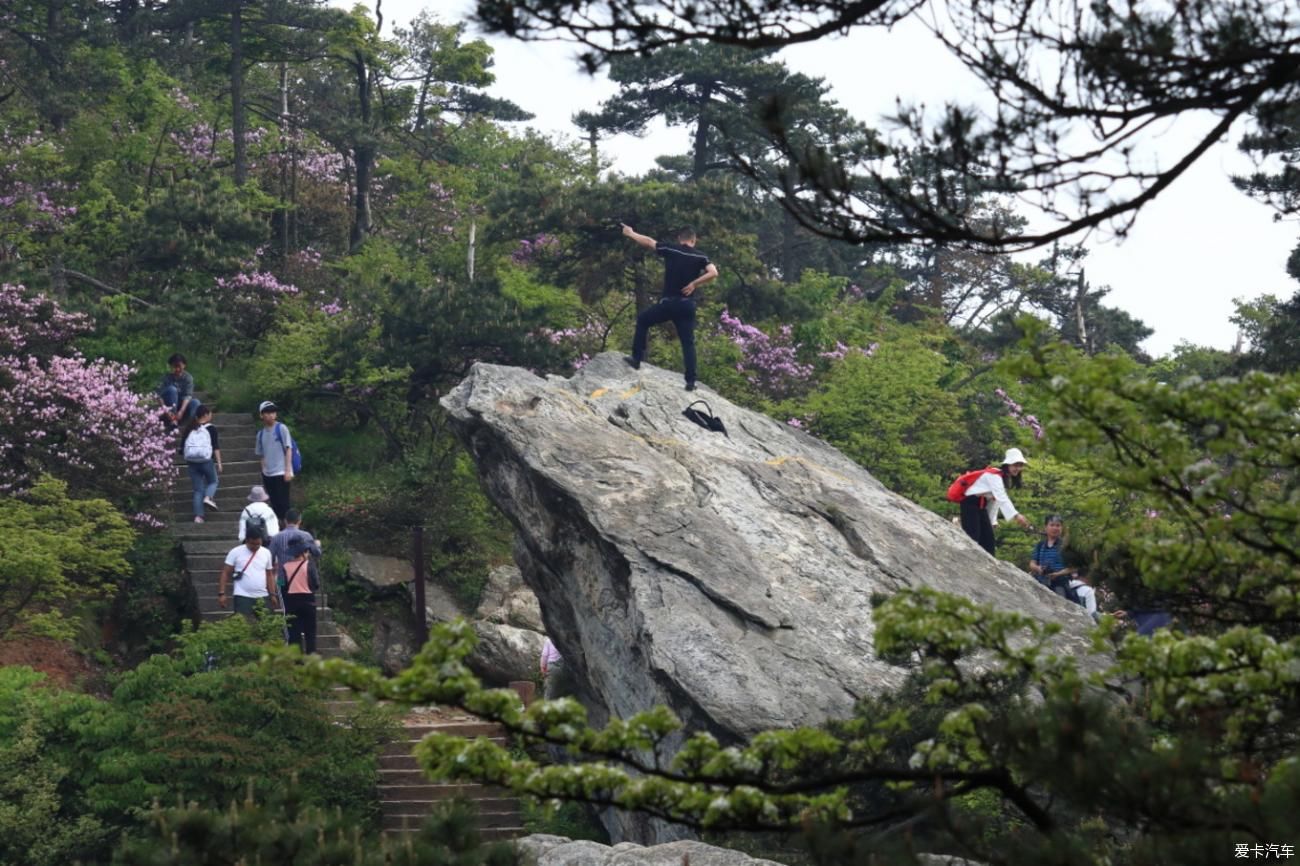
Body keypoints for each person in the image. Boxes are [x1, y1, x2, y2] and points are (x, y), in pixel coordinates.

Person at [621, 224, 719, 391]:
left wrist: (631, 234)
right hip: (687, 306)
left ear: (680, 239)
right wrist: (694, 283)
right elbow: (713, 272)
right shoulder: (701, 256)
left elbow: (650, 242)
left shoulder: (672, 249)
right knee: (688, 343)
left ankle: (637, 358)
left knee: (643, 320)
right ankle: (690, 382)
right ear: (694, 240)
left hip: (669, 303)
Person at [957, 447, 1033, 555]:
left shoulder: (1003, 478)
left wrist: (993, 521)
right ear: (1008, 465)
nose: (1018, 468)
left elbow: (995, 501)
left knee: (988, 541)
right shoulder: (995, 476)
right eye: (1015, 465)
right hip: (970, 503)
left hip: (981, 505)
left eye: (1020, 465)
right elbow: (1002, 498)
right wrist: (1017, 516)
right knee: (973, 537)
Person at [218, 533, 276, 618]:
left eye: (258, 544)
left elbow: (269, 574)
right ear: (247, 541)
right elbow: (225, 572)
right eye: (253, 544)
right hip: (242, 595)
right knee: (242, 624)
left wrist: (272, 594)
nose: (256, 547)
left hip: (263, 595)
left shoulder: (266, 552)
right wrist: (221, 593)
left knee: (267, 623)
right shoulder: (235, 552)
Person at [254, 401, 295, 520]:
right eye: (267, 412)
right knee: (274, 503)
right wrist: (263, 471)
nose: (271, 414)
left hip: (281, 471)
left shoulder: (281, 428)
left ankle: (288, 527)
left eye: (273, 412)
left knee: (284, 503)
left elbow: (288, 449)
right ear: (261, 415)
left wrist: (288, 470)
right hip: (268, 473)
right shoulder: (260, 434)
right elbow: (261, 454)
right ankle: (278, 528)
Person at [279, 539, 320, 653]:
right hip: (308, 601)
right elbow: (316, 584)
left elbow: (282, 584)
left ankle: (297, 660)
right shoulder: (309, 565)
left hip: (291, 602)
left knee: (294, 633)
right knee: (310, 633)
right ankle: (311, 657)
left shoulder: (285, 566)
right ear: (304, 552)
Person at [183, 406, 222, 524]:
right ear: (205, 415)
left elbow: (182, 448)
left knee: (198, 490)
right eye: (210, 413)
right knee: (213, 481)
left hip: (192, 462)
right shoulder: (211, 428)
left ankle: (198, 517)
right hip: (206, 461)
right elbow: (215, 447)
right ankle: (208, 497)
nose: (211, 415)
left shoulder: (189, 428)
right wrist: (219, 462)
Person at [1029, 513, 1070, 594]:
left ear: (1062, 528)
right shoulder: (1040, 545)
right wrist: (1038, 568)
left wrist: (1058, 574)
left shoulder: (1066, 546)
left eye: (1058, 525)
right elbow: (1032, 563)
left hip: (1060, 584)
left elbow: (1074, 567)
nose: (1055, 528)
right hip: (1041, 583)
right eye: (1052, 525)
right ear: (1046, 527)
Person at [158, 353, 200, 427]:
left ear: (184, 365)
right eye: (174, 367)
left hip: (182, 406)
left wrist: (181, 411)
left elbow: (188, 396)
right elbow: (159, 395)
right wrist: (166, 410)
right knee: (172, 390)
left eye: (179, 366)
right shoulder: (166, 378)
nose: (177, 369)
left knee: (196, 402)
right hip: (169, 407)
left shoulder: (188, 378)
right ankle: (172, 420)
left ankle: (186, 424)